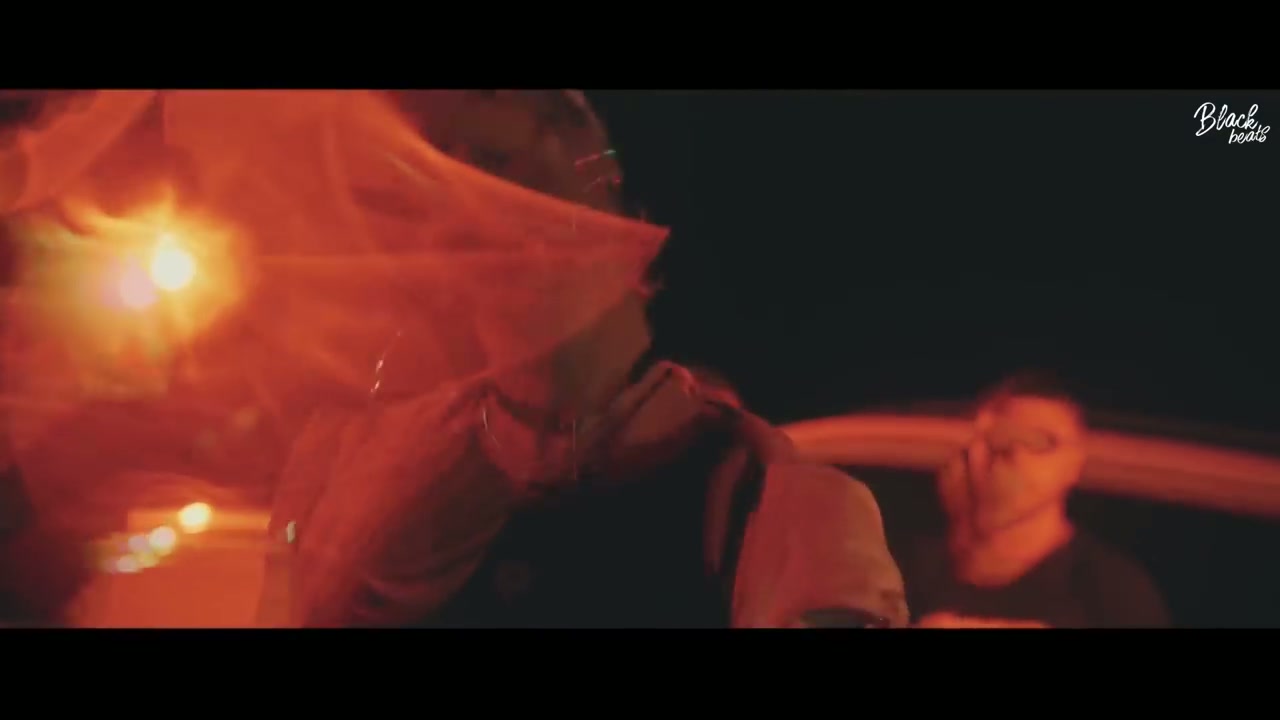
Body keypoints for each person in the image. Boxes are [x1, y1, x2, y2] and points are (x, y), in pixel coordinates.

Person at [0, 90, 908, 628]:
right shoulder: (353, 461)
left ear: (628, 218)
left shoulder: (772, 504)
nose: (482, 217)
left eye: (508, 169)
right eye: (452, 174)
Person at [902, 371, 1169, 628]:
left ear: (1075, 463)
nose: (1013, 453)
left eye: (1039, 441)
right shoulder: (908, 572)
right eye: (994, 437)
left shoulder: (1114, 591)